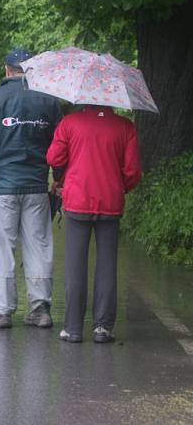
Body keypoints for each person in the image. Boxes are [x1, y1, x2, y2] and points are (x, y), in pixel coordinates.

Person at [0, 48, 62, 329]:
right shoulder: (49, 102)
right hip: (37, 185)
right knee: (38, 246)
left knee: (2, 247)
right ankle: (40, 308)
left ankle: (1, 311)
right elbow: (60, 146)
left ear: (7, 69)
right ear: (31, 71)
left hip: (2, 187)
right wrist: (57, 177)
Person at [46, 105, 141, 343]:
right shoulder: (125, 127)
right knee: (107, 265)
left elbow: (53, 157)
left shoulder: (70, 123)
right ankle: (103, 328)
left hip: (77, 200)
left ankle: (73, 328)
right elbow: (132, 171)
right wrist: (118, 188)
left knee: (75, 265)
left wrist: (65, 175)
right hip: (111, 202)